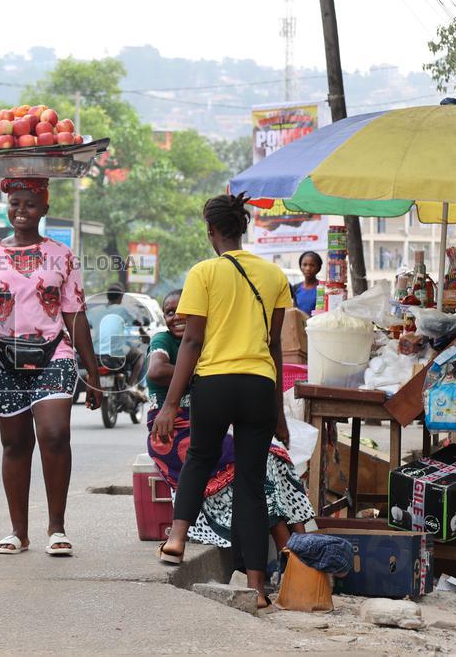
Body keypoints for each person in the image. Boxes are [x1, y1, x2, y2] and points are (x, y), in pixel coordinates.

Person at [151, 193, 293, 609]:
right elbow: (274, 347)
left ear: (211, 231)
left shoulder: (204, 272)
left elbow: (193, 340)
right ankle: (257, 587)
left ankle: (176, 539)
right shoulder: (273, 275)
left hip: (214, 382)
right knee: (251, 485)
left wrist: (170, 404)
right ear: (242, 227)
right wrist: (279, 410)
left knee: (199, 457)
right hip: (258, 386)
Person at [0, 177, 102, 557]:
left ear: (44, 208)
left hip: (53, 353)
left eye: (28, 204)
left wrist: (92, 371)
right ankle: (18, 531)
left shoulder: (61, 254)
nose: (20, 211)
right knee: (15, 443)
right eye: (14, 203)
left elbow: (75, 312)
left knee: (55, 433)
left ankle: (56, 528)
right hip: (2, 359)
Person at [146, 289, 313, 566]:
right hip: (171, 432)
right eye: (169, 312)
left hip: (203, 424)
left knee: (274, 457)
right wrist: (204, 370)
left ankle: (300, 542)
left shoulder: (206, 341)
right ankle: (291, 552)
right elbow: (156, 370)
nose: (175, 317)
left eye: (181, 311)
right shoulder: (163, 341)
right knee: (255, 465)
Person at [86, 284, 143, 389]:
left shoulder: (94, 311)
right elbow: (137, 323)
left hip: (96, 352)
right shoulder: (122, 310)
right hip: (116, 351)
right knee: (139, 355)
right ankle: (130, 385)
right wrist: (143, 331)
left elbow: (87, 326)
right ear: (120, 297)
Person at [292, 251, 322, 316]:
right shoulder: (295, 288)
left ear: (318, 268)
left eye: (312, 265)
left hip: (316, 325)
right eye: (305, 265)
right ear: (300, 266)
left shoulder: (322, 288)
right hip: (299, 325)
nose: (308, 268)